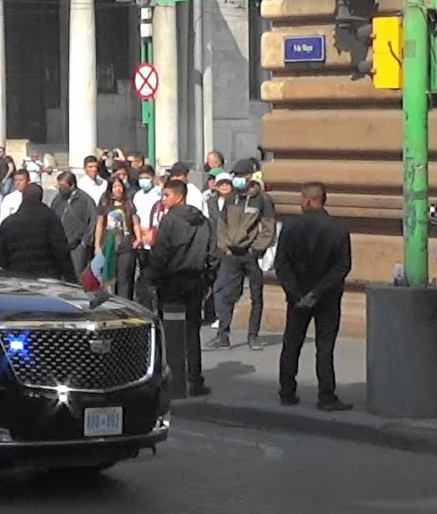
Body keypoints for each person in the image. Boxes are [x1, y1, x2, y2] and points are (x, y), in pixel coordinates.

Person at [274, 182, 353, 411]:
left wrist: (297, 293)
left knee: (291, 343)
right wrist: (317, 292)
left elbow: (281, 264)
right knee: (325, 347)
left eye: (301, 198)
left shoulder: (290, 227)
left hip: (297, 297)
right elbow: (342, 266)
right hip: (327, 298)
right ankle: (326, 395)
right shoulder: (338, 228)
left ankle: (287, 391)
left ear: (308, 200)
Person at [146, 179, 217, 397]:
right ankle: (194, 379)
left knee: (169, 331)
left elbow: (161, 254)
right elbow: (213, 255)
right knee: (192, 331)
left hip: (171, 281)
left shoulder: (170, 221)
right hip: (195, 281)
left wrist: (151, 279)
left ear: (179, 196)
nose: (163, 199)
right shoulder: (203, 221)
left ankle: (172, 380)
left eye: (166, 195)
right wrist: (208, 281)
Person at [209, 162, 277, 351]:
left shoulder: (262, 200)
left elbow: (268, 227)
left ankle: (253, 336)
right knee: (226, 294)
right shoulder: (232, 198)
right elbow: (221, 224)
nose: (236, 179)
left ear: (250, 176)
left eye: (240, 175)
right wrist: (224, 246)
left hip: (251, 255)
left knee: (256, 296)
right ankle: (223, 335)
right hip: (231, 254)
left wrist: (256, 249)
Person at [0, 183, 74, 281]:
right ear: (41, 197)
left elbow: (0, 255)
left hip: (18, 276)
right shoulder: (51, 218)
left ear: (23, 197)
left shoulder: (9, 222)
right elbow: (61, 249)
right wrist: (70, 276)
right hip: (47, 276)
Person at [94, 175, 141, 299]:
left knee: (124, 278)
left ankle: (125, 304)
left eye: (119, 186)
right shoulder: (105, 204)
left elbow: (135, 223)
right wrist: (97, 245)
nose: (117, 189)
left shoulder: (129, 204)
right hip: (108, 246)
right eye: (114, 186)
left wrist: (138, 239)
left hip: (125, 247)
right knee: (109, 279)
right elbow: (99, 225)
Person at [51, 171, 97, 279]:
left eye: (63, 185)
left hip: (77, 246)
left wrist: (85, 242)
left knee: (77, 276)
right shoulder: (58, 198)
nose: (60, 188)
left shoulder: (85, 199)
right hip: (60, 244)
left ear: (71, 185)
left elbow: (93, 220)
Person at [132, 165, 163, 308]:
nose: (143, 181)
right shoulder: (138, 195)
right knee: (143, 273)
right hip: (141, 239)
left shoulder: (158, 194)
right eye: (141, 178)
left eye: (146, 178)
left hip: (154, 239)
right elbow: (135, 216)